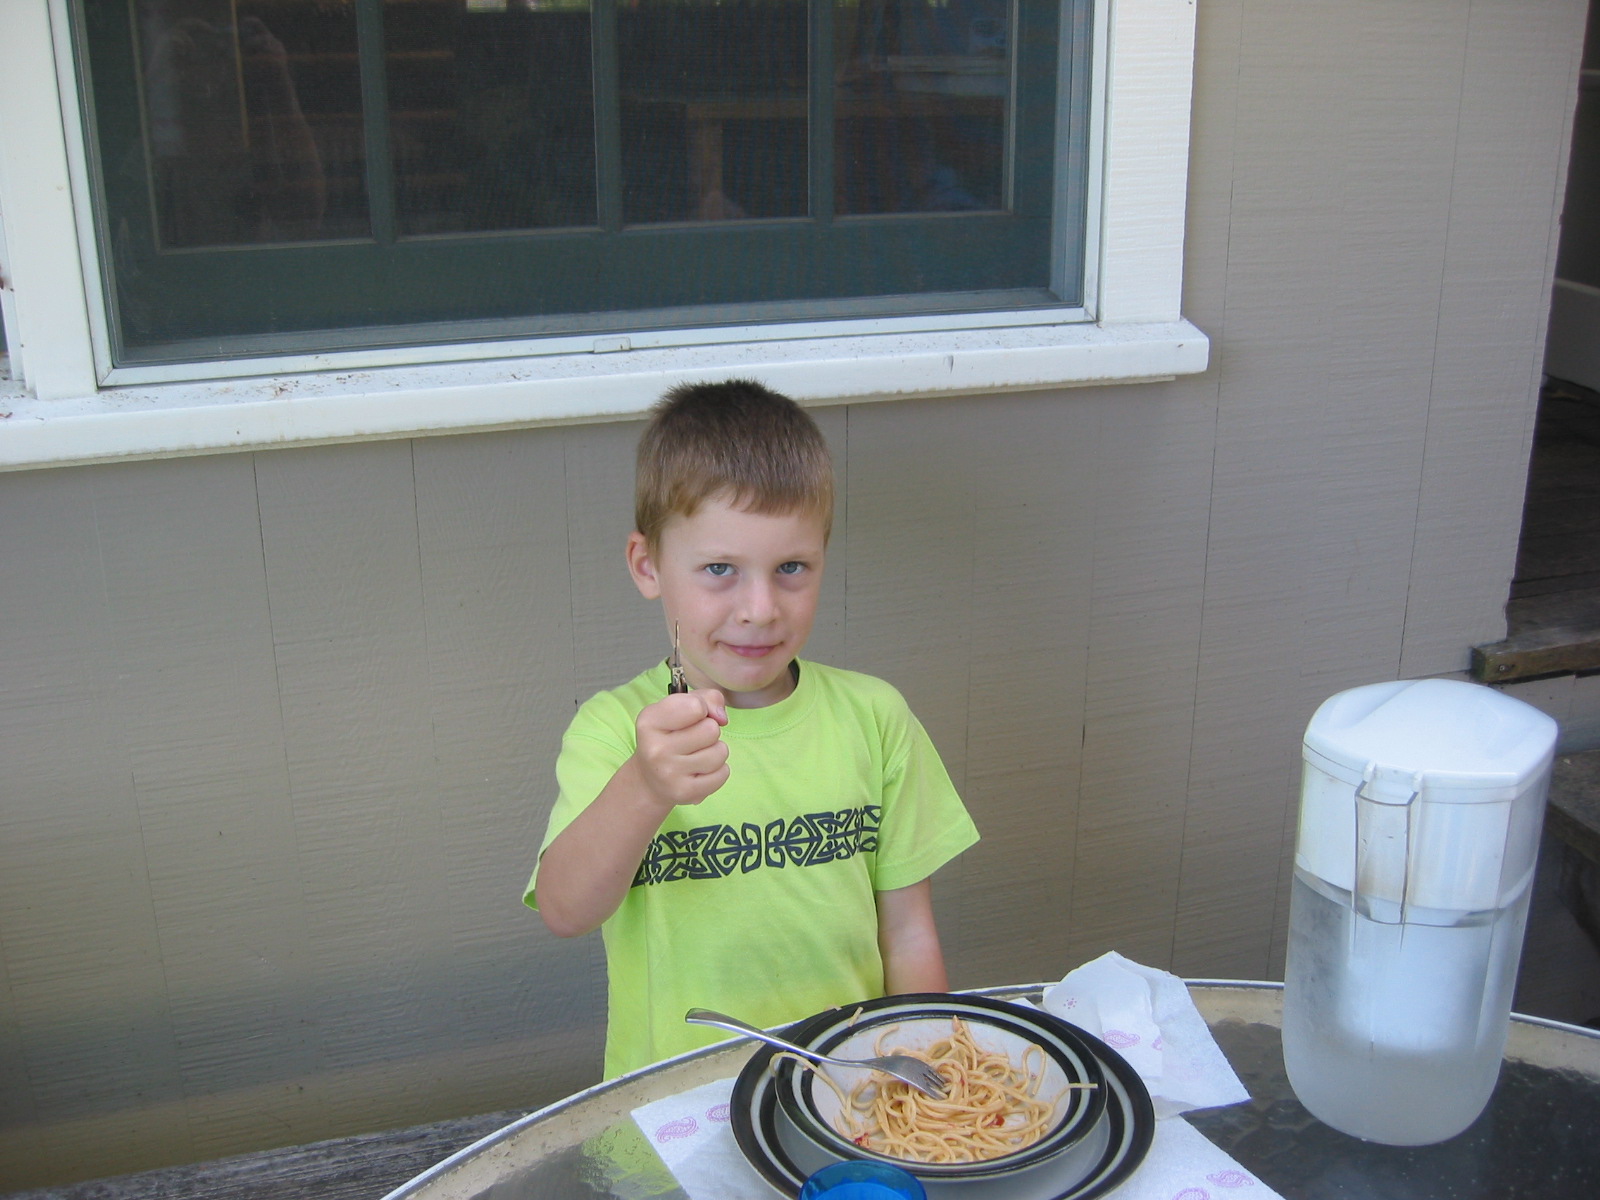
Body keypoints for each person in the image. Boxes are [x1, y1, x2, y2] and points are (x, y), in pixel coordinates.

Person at [525, 379, 979, 1078]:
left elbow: (909, 932)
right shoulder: (616, 730)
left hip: (845, 1095)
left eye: (791, 567)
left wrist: (924, 1071)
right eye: (720, 570)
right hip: (676, 1110)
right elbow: (564, 909)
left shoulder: (874, 718)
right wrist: (645, 786)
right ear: (648, 566)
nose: (761, 608)